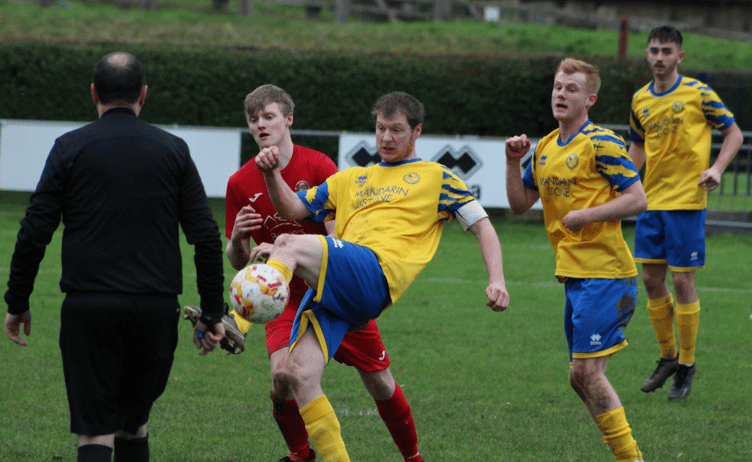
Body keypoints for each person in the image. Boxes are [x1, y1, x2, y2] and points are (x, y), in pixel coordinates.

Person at [249, 91, 510, 461]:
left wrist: (496, 279)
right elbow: (293, 206)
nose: (386, 138)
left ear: (416, 132)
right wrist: (271, 173)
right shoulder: (351, 178)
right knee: (297, 373)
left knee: (288, 242)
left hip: (376, 272)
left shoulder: (438, 178)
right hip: (343, 286)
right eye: (380, 128)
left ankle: (250, 303)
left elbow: (483, 226)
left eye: (397, 130)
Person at [3, 52, 227, 462]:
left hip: (90, 309)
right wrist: (213, 312)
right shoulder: (174, 150)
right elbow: (207, 238)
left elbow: (34, 231)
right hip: (154, 310)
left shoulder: (69, 148)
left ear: (93, 94)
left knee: (95, 432)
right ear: (144, 94)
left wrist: (17, 301)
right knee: (133, 424)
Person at [222, 84, 427, 462]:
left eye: (269, 117)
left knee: (380, 381)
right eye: (254, 120)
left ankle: (413, 457)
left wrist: (292, 248)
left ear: (288, 119)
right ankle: (302, 456)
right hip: (281, 296)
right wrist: (237, 239)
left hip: (332, 288)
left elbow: (340, 237)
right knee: (283, 376)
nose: (261, 125)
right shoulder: (239, 183)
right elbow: (240, 262)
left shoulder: (318, 167)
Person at [505, 58, 647, 462]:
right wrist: (513, 162)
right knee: (578, 377)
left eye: (571, 89)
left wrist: (586, 215)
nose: (561, 94)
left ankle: (631, 458)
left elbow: (638, 199)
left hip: (608, 275)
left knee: (587, 373)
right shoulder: (546, 147)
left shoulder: (601, 143)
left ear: (590, 99)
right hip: (575, 278)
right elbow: (519, 204)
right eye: (557, 87)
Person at [628, 26, 744, 400]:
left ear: (680, 57)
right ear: (646, 55)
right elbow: (637, 147)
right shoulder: (640, 100)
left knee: (682, 282)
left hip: (687, 202)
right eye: (653, 50)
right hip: (651, 202)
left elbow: (734, 133)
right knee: (650, 280)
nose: (659, 57)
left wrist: (717, 169)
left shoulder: (698, 93)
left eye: (666, 51)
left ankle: (688, 365)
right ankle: (667, 356)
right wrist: (628, 186)